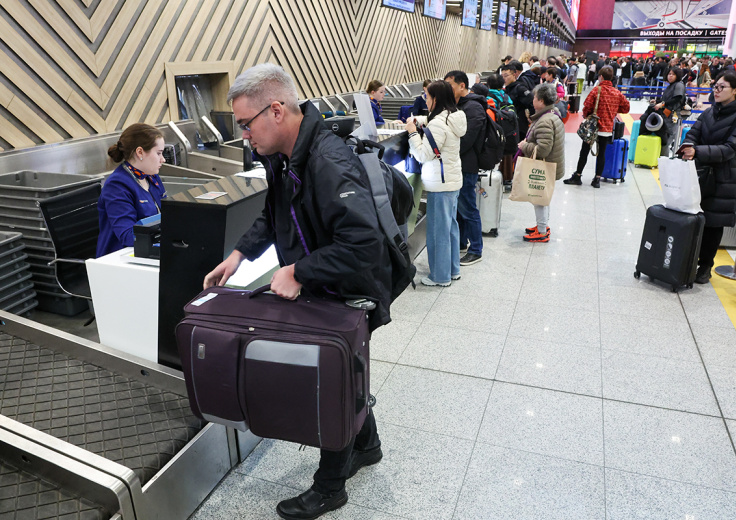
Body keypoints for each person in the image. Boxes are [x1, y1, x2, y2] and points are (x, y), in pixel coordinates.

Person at [203, 63, 388, 519]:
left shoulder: (327, 161)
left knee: (332, 382)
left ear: (276, 110)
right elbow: (275, 213)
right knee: (348, 372)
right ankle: (368, 445)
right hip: (324, 285)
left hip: (347, 290)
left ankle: (330, 488)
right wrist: (239, 255)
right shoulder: (284, 157)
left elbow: (364, 244)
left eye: (246, 123)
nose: (244, 134)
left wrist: (299, 272)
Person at [680, 71, 736, 284]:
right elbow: (693, 133)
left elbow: (730, 149)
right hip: (698, 173)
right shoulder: (709, 111)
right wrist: (688, 145)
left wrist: (697, 151)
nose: (717, 91)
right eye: (715, 86)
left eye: (722, 87)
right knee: (692, 219)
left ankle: (705, 266)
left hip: (722, 178)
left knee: (712, 224)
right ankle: (687, 260)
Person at [405, 81, 467, 286]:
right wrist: (418, 120)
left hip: (440, 185)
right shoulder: (453, 116)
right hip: (452, 182)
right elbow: (435, 122)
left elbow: (423, 155)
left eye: (427, 97)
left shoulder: (438, 124)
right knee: (450, 228)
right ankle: (452, 269)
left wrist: (412, 133)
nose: (425, 101)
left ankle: (440, 276)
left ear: (436, 99)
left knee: (438, 231)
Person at [97, 123, 167, 257]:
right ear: (140, 152)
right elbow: (128, 236)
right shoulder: (116, 186)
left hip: (150, 249)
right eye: (158, 153)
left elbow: (167, 214)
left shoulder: (152, 177)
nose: (163, 159)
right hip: (120, 258)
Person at [443, 70, 487, 266]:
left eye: (450, 85)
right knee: (459, 208)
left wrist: (447, 149)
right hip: (458, 163)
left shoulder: (474, 107)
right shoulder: (459, 105)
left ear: (462, 85)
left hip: (467, 165)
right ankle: (461, 242)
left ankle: (476, 249)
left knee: (468, 208)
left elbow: (467, 139)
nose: (447, 89)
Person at [563, 66, 630, 188]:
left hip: (593, 127)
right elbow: (626, 108)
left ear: (601, 77)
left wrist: (587, 115)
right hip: (607, 128)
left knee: (584, 151)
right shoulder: (617, 93)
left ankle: (578, 176)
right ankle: (597, 179)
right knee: (602, 153)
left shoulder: (596, 90)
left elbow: (587, 106)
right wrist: (613, 110)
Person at [517, 84, 565, 243]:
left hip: (544, 166)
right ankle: (542, 225)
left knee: (539, 198)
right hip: (552, 164)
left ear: (542, 101)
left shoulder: (545, 121)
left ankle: (542, 231)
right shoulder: (553, 113)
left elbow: (543, 150)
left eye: (535, 98)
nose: (532, 100)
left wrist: (525, 146)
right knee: (543, 197)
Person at [654, 67, 687, 156]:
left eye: (673, 74)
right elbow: (667, 99)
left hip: (673, 115)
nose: (670, 76)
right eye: (669, 74)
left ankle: (663, 159)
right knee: (664, 137)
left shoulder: (679, 85)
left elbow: (677, 98)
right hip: (666, 114)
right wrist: (657, 102)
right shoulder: (671, 86)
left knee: (667, 138)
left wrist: (662, 104)